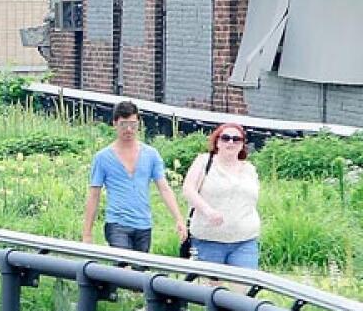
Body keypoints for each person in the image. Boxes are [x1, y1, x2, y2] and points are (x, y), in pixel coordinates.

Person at [82, 101, 187, 252]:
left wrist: (178, 219)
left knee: (139, 273)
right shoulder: (102, 157)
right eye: (124, 125)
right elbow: (94, 195)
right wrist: (87, 233)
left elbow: (164, 188)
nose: (129, 130)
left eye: (133, 124)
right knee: (124, 268)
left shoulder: (151, 154)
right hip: (117, 223)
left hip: (143, 224)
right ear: (115, 124)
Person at [182, 123, 260, 269]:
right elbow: (188, 189)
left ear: (242, 144)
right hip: (208, 239)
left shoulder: (250, 169)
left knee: (244, 288)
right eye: (225, 138)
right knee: (210, 289)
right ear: (217, 141)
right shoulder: (204, 161)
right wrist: (208, 211)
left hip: (245, 240)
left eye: (236, 139)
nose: (231, 142)